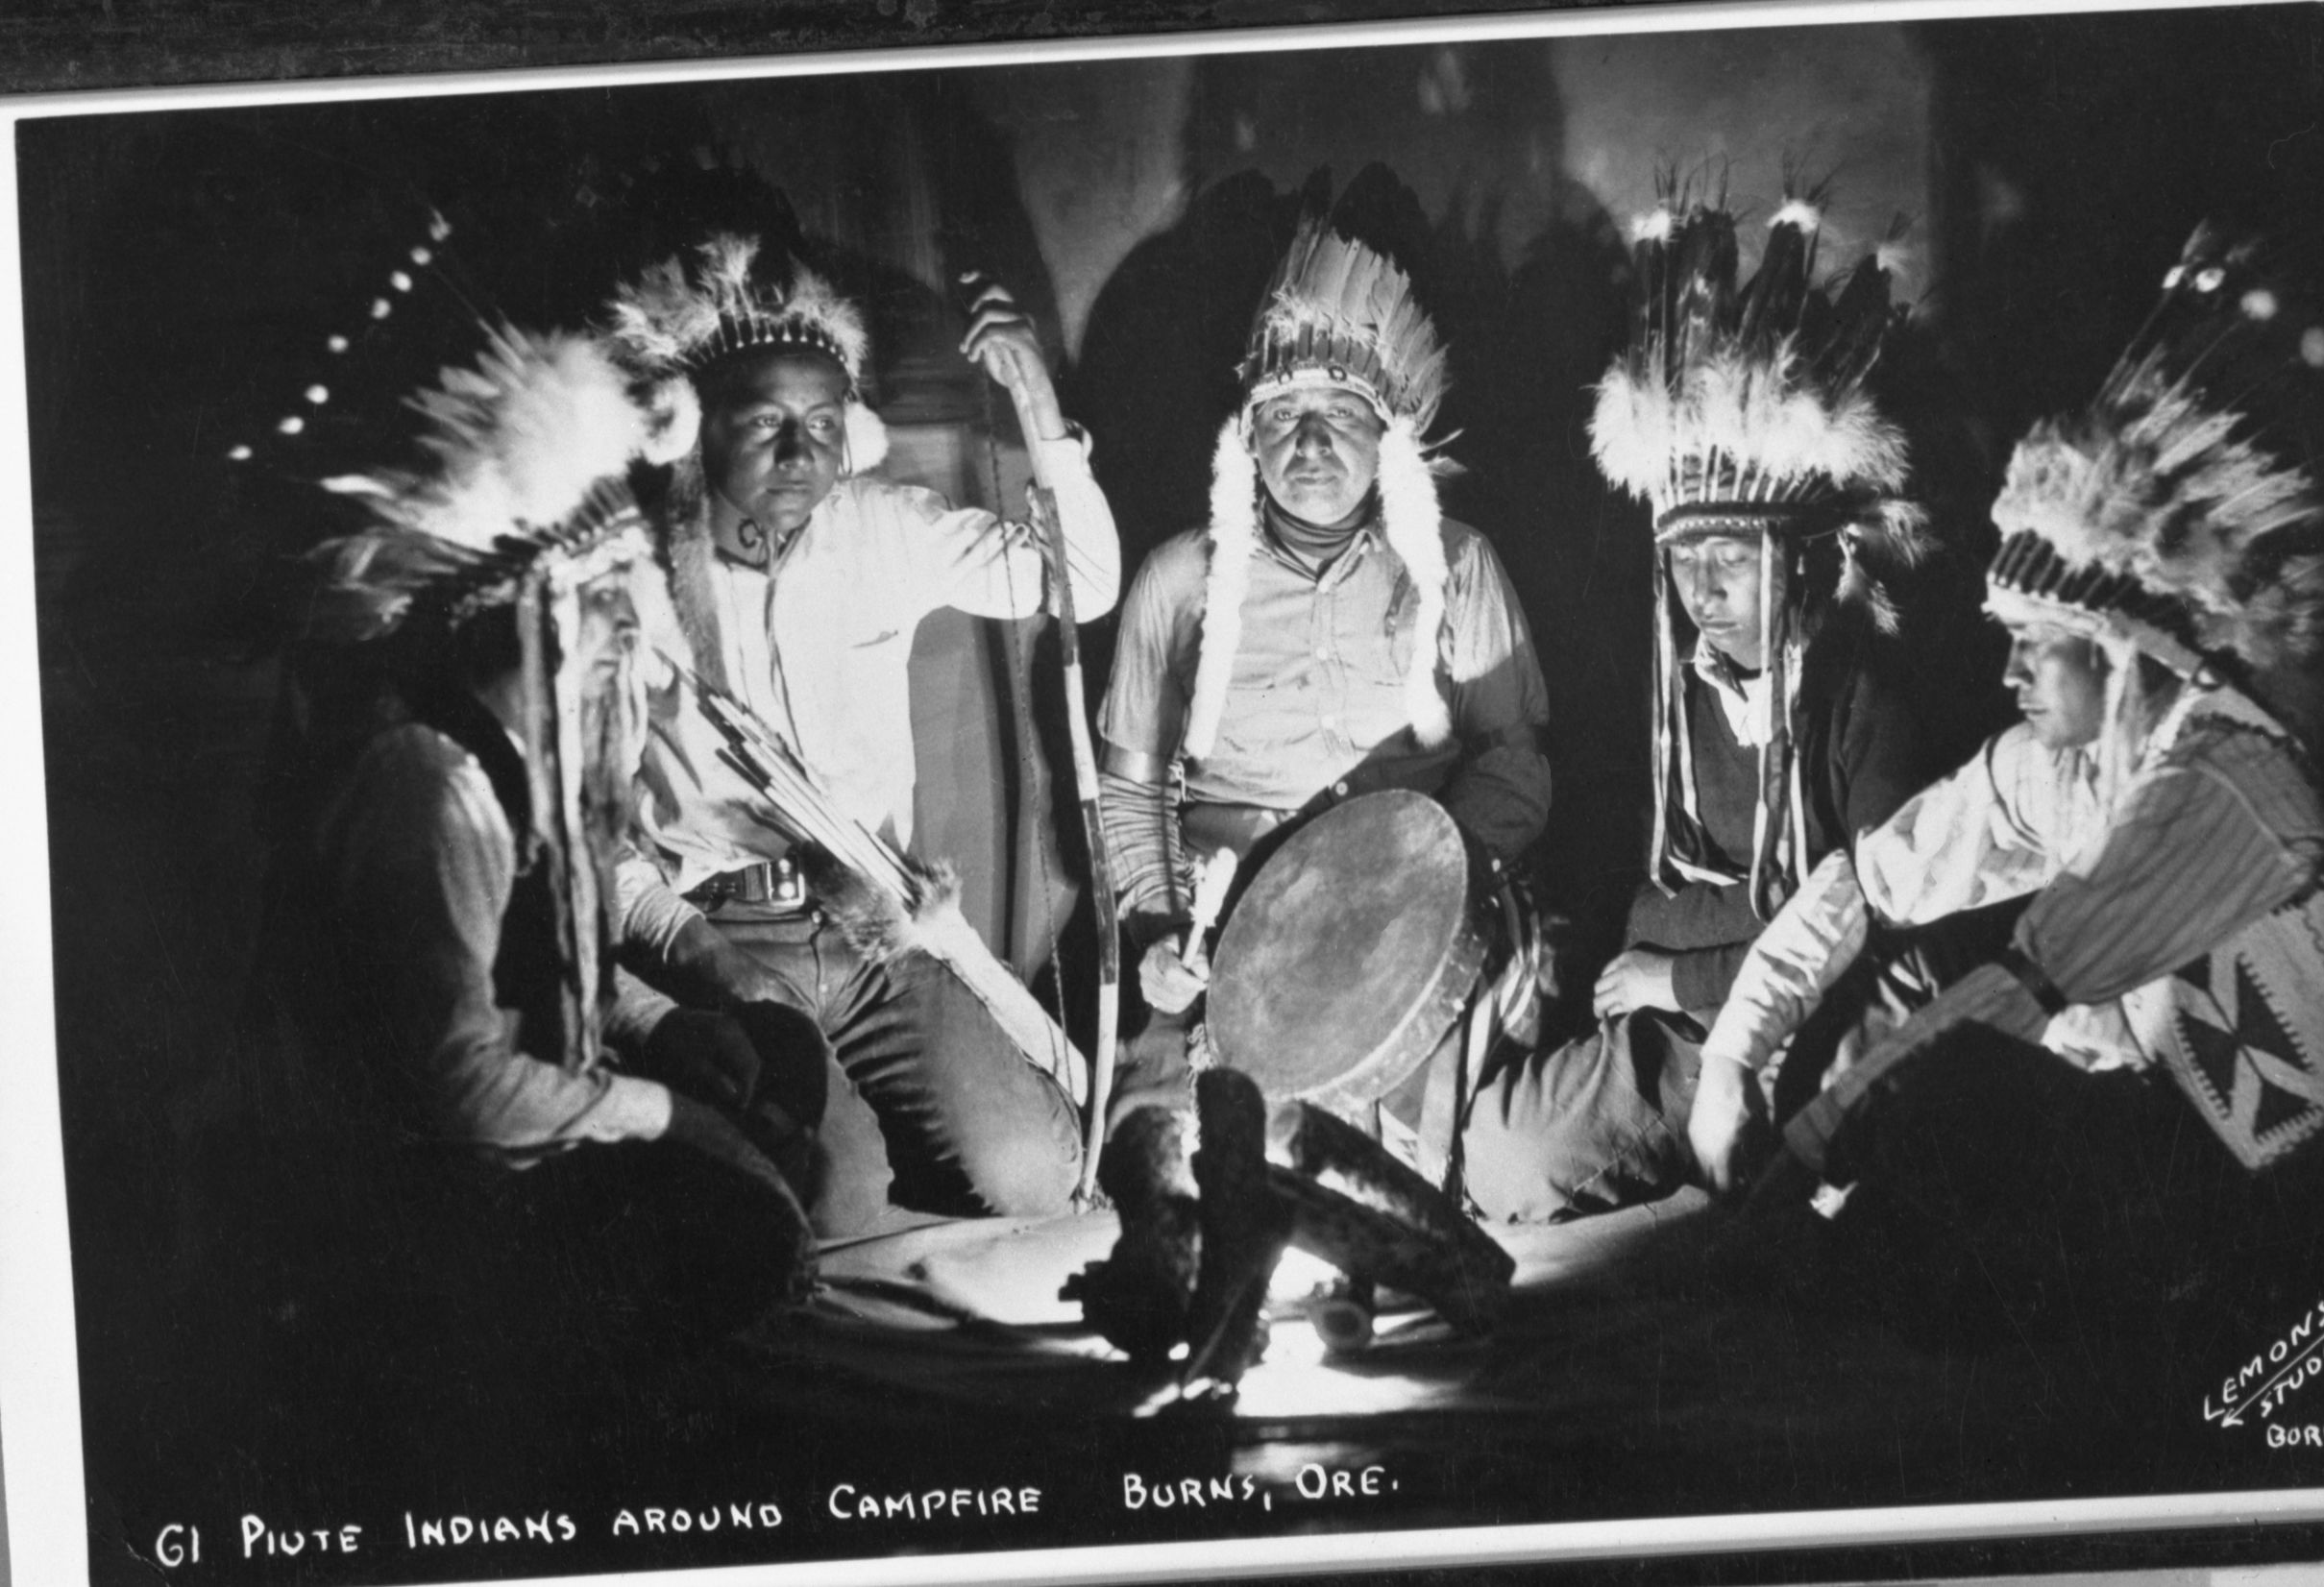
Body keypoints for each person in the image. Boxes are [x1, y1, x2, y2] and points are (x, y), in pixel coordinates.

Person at [1685, 228, 2324, 1341]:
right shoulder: (2059, 763)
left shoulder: (2228, 778)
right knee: (1932, 1116)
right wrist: (1732, 1055)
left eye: (2032, 643)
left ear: (2118, 647)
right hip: (2160, 1152)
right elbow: (1872, 879)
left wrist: (1805, 1150)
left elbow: (2032, 978)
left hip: (2282, 1217)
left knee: (1951, 1092)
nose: (2006, 673)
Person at [245, 327, 823, 1424]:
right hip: (421, 1204)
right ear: (514, 612)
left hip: (514, 1130)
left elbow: (549, 962)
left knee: (772, 1055)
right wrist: (674, 1119)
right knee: (729, 1216)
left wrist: (663, 1029)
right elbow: (456, 1086)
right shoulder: (429, 783)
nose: (624, 631)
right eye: (598, 602)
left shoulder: (525, 756)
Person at [601, 234, 1116, 1232]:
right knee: (836, 1206)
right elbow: (593, 840)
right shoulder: (632, 578)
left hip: (880, 925)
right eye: (764, 422)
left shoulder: (882, 526)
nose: (799, 454)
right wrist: (702, 954)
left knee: (1038, 1179)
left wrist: (1036, 401)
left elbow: (1082, 586)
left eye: (823, 423)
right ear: (698, 427)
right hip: (723, 935)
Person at [1457, 193, 1938, 1222]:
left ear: (1795, 559)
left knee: (1849, 1162)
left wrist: (1682, 973)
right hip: (1681, 1029)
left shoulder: (1864, 699)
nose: (1703, 590)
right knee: (1499, 1151)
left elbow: (1868, 926)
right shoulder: (1676, 695)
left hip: (1813, 1024)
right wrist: (1734, 924)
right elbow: (1646, 902)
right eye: (1683, 559)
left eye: (1732, 558)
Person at [1094, 205, 1552, 1159]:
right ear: (1246, 438)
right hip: (1225, 929)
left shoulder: (1457, 567)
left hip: (1409, 915)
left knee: (1423, 1145)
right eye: (1281, 416)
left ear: (1386, 438)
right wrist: (1158, 929)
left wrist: (1421, 891)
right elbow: (1129, 792)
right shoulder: (1178, 580)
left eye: (1340, 415)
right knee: (1158, 1150)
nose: (1309, 445)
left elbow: (1513, 762)